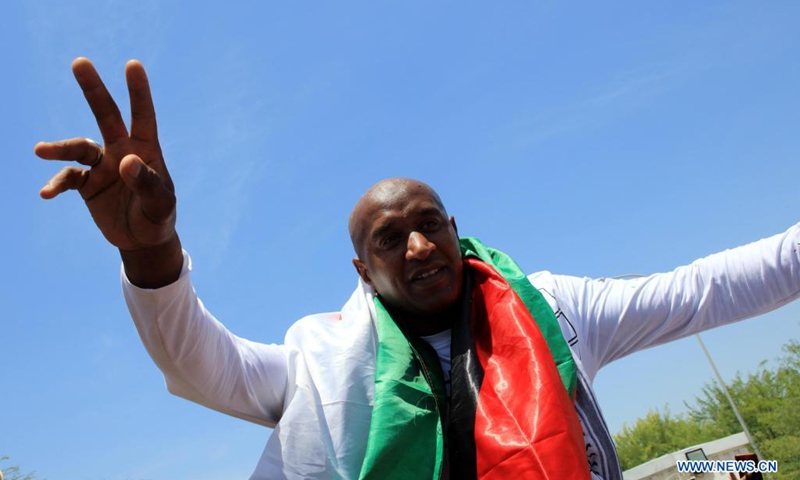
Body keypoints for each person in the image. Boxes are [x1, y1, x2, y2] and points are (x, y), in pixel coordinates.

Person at [36, 58, 800, 480]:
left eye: (430, 225)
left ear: (457, 231)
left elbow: (707, 289)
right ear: (362, 271)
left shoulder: (553, 311)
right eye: (389, 239)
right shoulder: (321, 361)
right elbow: (202, 368)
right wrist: (151, 249)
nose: (419, 247)